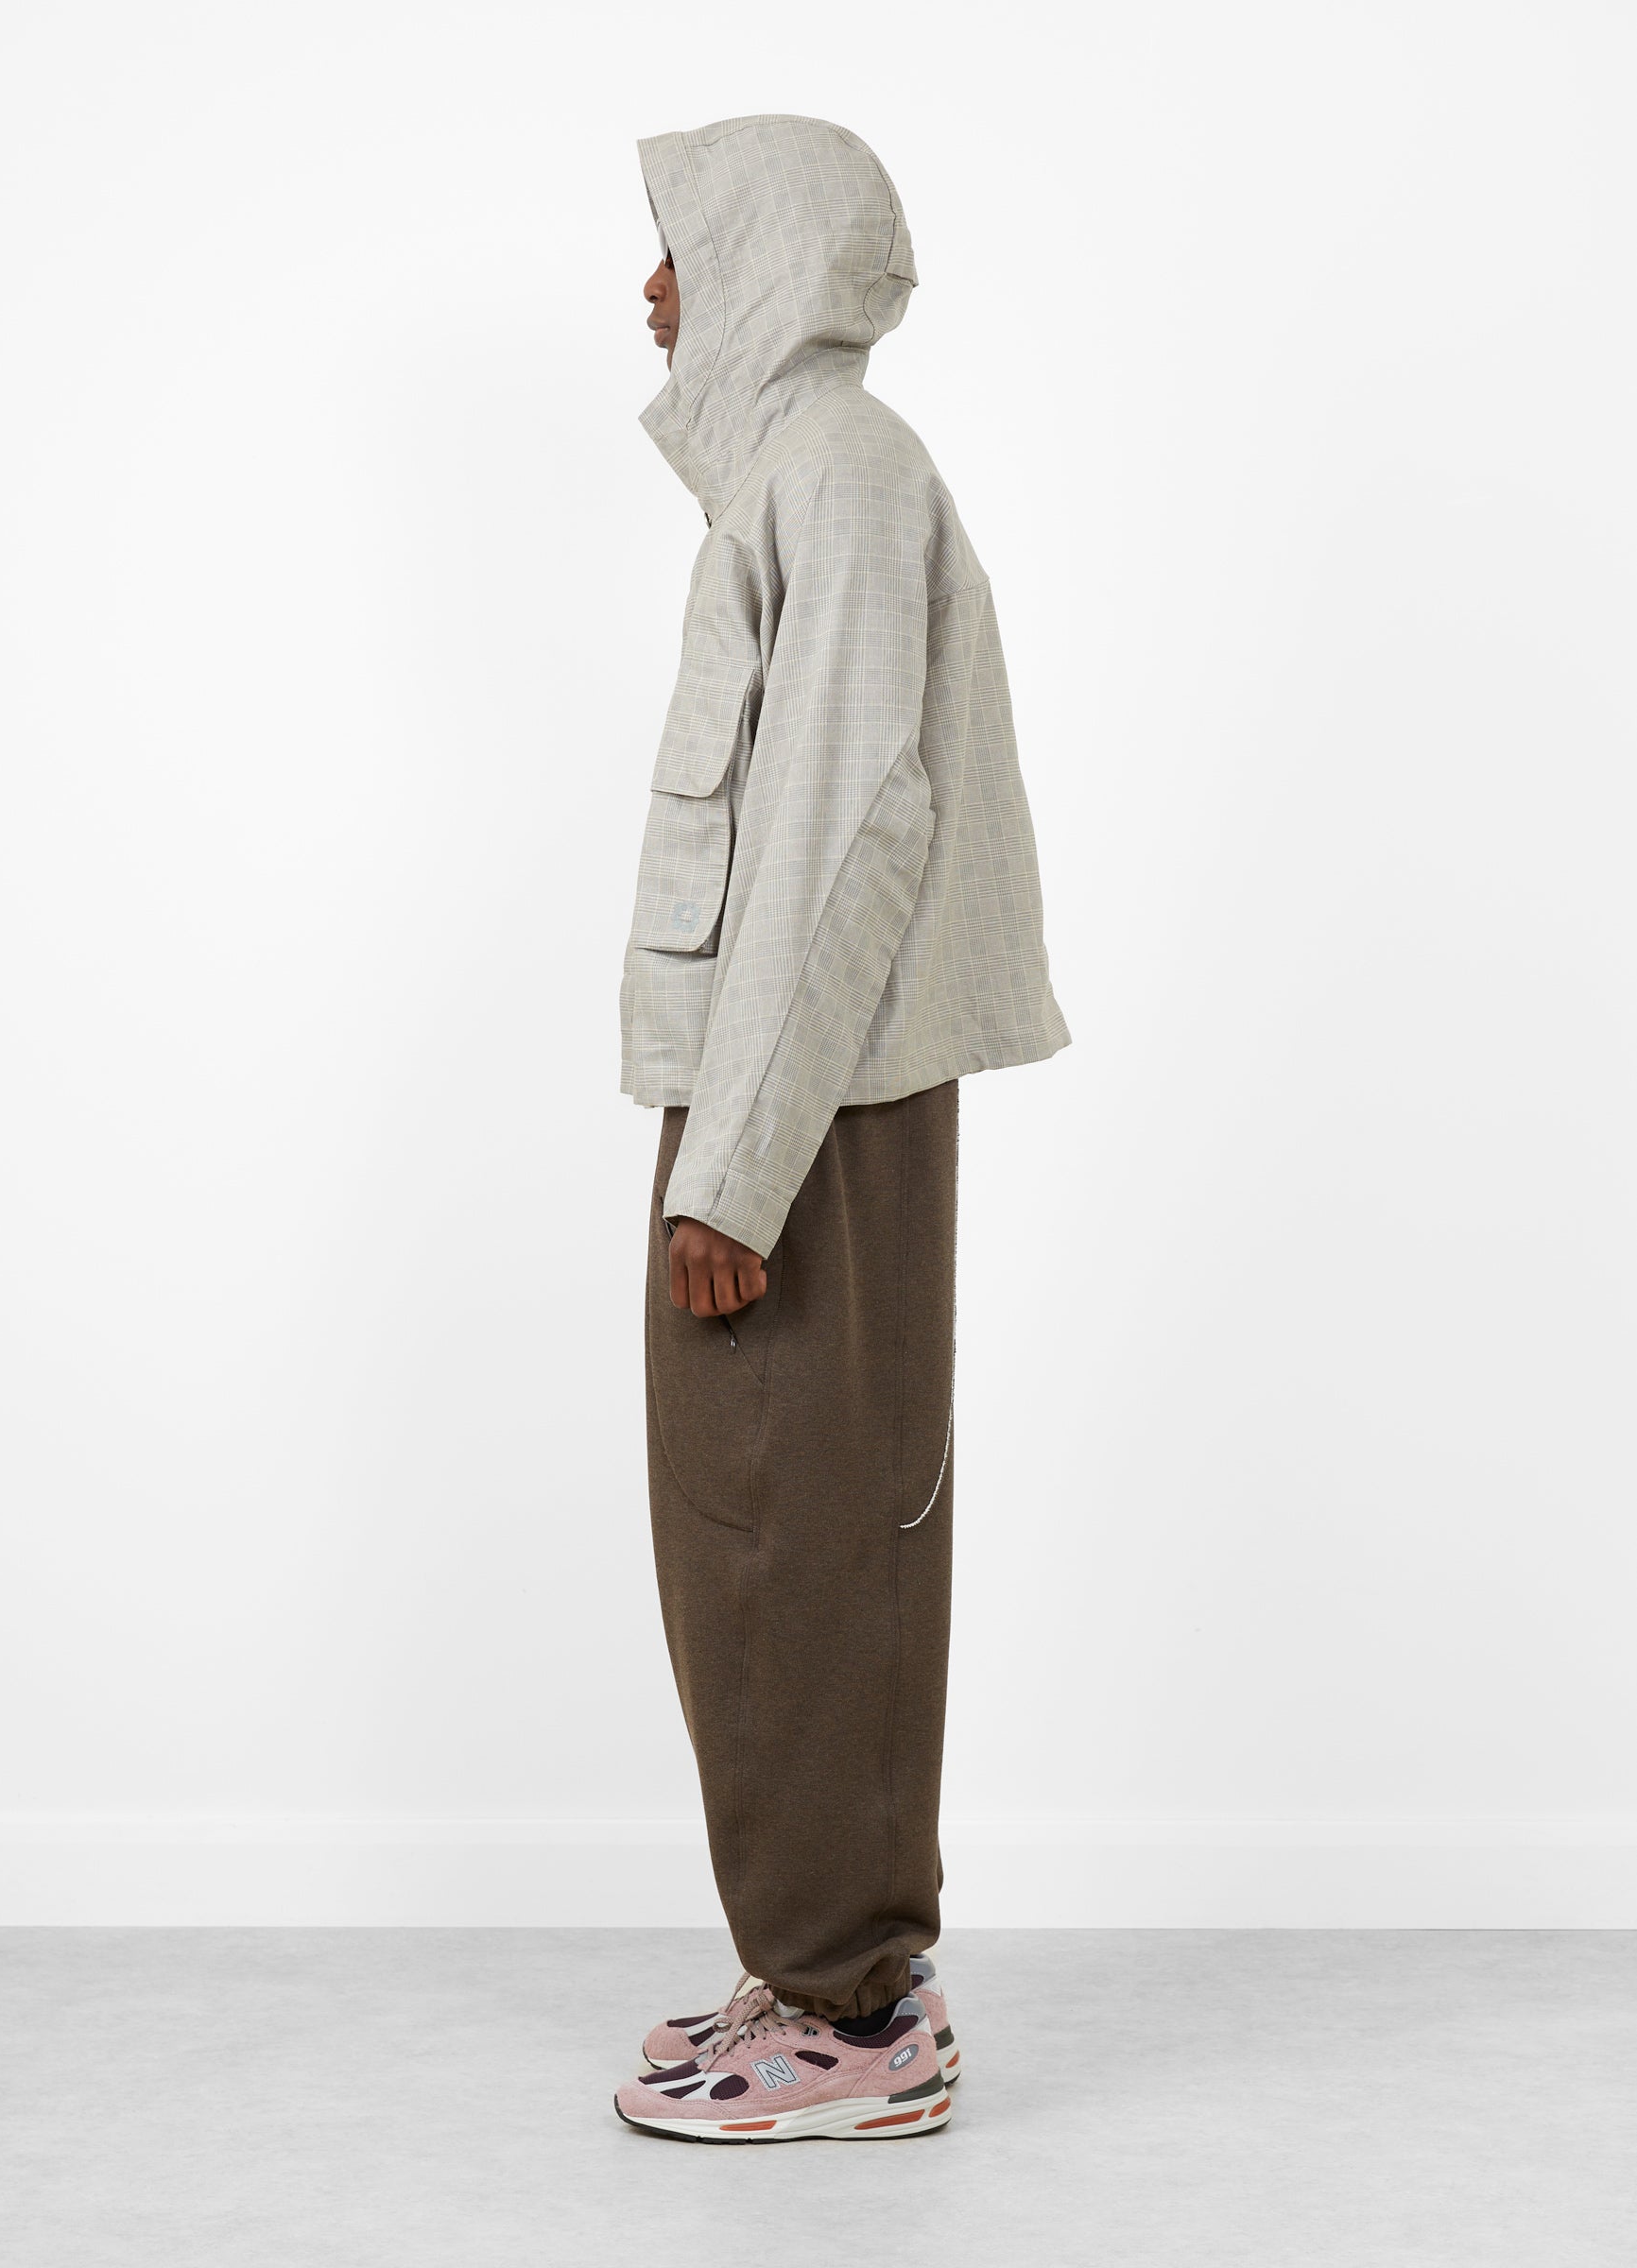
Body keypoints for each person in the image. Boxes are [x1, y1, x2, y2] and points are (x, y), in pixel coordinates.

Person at [613, 113, 1068, 2143]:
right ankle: (810, 1962)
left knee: (801, 1540)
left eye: (680, 244)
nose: (651, 289)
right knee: (752, 1528)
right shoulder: (802, 473)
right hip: (777, 1094)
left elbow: (841, 824)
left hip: (809, 1119)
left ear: (768, 259)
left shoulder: (847, 473)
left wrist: (737, 1167)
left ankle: (857, 2017)